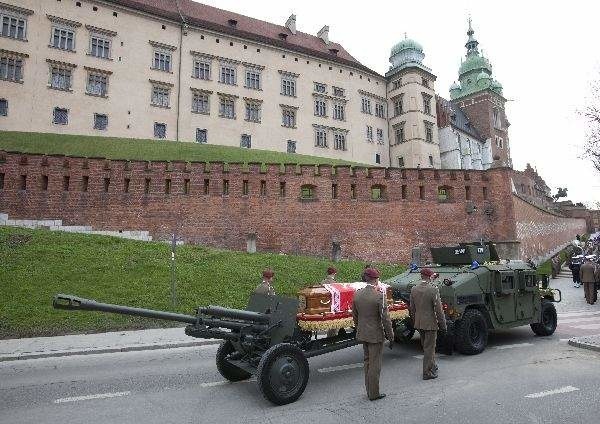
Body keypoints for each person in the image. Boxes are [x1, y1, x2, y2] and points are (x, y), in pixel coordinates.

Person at [352, 267, 394, 401]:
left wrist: (359, 328)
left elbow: (355, 316)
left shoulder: (357, 294)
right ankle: (374, 393)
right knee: (375, 364)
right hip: (375, 335)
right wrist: (391, 336)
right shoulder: (379, 296)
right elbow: (385, 319)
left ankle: (369, 390)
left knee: (367, 362)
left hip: (363, 333)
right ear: (376, 280)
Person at [409, 268, 447, 380]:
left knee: (425, 346)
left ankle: (433, 365)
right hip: (430, 323)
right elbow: (439, 310)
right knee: (429, 348)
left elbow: (412, 308)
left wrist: (415, 321)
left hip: (419, 322)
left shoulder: (414, 289)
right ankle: (427, 372)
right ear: (430, 277)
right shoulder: (433, 289)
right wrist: (443, 325)